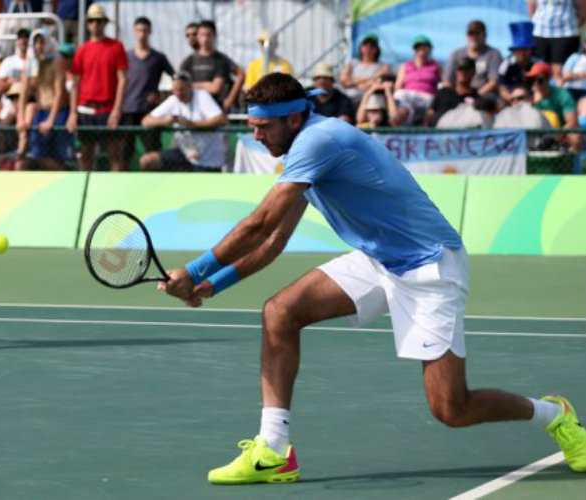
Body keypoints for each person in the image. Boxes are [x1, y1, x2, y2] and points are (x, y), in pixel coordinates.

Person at [159, 72, 586, 484]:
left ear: (293, 118)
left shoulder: (319, 139)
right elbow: (273, 241)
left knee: (451, 408)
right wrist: (214, 284)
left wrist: (194, 269)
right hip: (379, 259)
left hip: (428, 266)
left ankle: (554, 414)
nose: (256, 136)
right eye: (251, 126)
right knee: (280, 313)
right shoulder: (298, 153)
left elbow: (258, 223)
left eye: (263, 126)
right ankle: (273, 450)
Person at [66, 3, 128, 171]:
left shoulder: (116, 47)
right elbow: (75, 84)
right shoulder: (82, 50)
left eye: (99, 21)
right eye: (92, 21)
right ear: (87, 23)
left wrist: (116, 110)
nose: (95, 24)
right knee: (86, 155)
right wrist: (73, 112)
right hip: (85, 110)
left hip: (108, 110)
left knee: (115, 154)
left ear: (104, 23)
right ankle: (86, 193)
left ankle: (116, 192)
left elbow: (122, 80)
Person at [140, 72, 227, 172]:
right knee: (147, 161)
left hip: (208, 160)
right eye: (175, 90)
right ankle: (155, 187)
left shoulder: (202, 95)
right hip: (184, 153)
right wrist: (164, 121)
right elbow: (146, 121)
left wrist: (192, 124)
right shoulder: (173, 99)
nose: (178, 93)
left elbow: (220, 119)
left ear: (190, 87)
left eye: (181, 90)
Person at [122, 17, 174, 169]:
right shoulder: (126, 57)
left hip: (150, 113)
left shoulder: (158, 57)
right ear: (134, 32)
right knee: (125, 152)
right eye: (139, 30)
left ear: (150, 32)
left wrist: (163, 97)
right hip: (129, 110)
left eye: (145, 30)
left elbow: (176, 80)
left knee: (152, 153)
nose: (142, 34)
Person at [18, 31, 71, 171]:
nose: (39, 46)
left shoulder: (56, 61)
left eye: (41, 42)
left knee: (58, 159)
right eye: (36, 43)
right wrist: (20, 118)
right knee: (37, 156)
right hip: (41, 112)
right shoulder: (31, 63)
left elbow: (59, 92)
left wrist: (51, 120)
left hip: (57, 113)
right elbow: (24, 91)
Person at [180, 20, 245, 112]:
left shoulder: (221, 60)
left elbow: (215, 88)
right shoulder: (188, 61)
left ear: (215, 36)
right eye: (202, 35)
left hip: (217, 108)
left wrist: (230, 100)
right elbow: (180, 86)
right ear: (198, 36)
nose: (205, 39)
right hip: (195, 108)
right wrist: (206, 85)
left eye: (208, 35)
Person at [529, 0, 585, 86]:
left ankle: (562, 97)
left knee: (559, 72)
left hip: (566, 32)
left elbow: (583, 8)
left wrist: (574, 25)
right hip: (540, 32)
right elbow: (531, 6)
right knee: (540, 71)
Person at [528, 61, 581, 151]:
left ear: (548, 79)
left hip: (560, 130)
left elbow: (572, 122)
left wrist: (557, 134)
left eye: (539, 80)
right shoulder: (527, 97)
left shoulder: (562, 94)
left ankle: (577, 163)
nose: (535, 83)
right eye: (532, 79)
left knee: (575, 136)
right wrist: (534, 102)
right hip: (538, 131)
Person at [443, 21, 502, 99]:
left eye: (477, 33)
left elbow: (494, 81)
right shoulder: (456, 54)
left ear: (484, 35)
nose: (473, 36)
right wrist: (455, 97)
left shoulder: (493, 54)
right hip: (458, 96)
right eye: (470, 33)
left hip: (483, 96)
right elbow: (447, 81)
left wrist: (474, 96)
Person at [394, 34, 441, 123]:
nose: (421, 50)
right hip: (409, 97)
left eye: (424, 47)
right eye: (418, 47)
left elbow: (441, 84)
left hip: (427, 98)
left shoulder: (436, 66)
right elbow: (398, 85)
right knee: (400, 95)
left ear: (429, 49)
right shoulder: (405, 66)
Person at [339, 33, 391, 105]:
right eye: (365, 44)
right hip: (347, 97)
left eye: (372, 46)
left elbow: (378, 82)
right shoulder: (352, 63)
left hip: (368, 99)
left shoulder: (383, 66)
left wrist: (354, 80)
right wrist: (367, 79)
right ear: (361, 47)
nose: (368, 48)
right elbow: (344, 80)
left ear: (377, 49)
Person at [424, 57, 478, 126]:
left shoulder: (477, 98)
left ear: (473, 72)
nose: (462, 72)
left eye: (466, 70)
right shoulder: (443, 92)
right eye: (459, 69)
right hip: (439, 131)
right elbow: (430, 113)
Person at [498, 22, 540, 104]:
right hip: (512, 100)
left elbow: (543, 87)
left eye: (525, 49)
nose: (522, 53)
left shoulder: (538, 64)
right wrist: (513, 99)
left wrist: (533, 100)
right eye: (519, 49)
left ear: (531, 50)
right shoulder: (506, 65)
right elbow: (502, 89)